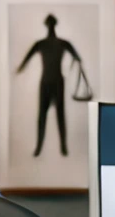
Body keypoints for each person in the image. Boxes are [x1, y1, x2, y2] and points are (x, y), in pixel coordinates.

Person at [16, 14, 83, 158]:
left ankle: (59, 147)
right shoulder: (58, 43)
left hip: (52, 81)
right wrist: (20, 68)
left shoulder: (45, 44)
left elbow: (77, 57)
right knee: (48, 115)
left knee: (53, 115)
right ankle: (44, 147)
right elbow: (77, 57)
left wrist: (20, 68)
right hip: (51, 82)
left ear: (47, 25)